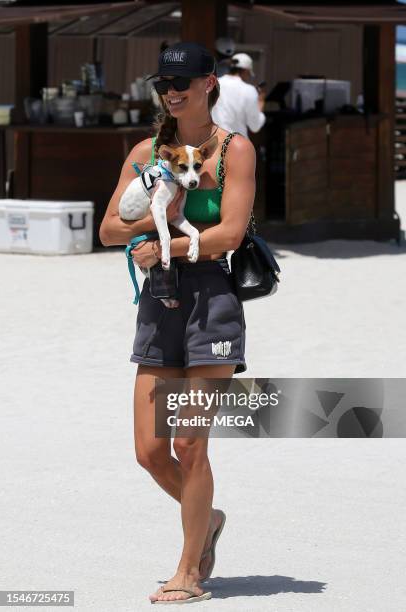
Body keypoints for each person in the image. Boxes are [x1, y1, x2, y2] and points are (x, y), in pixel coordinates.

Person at [99, 41, 256, 604]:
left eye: (181, 82)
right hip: (159, 297)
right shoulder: (146, 152)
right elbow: (110, 228)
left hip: (211, 298)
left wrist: (178, 246)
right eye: (163, 83)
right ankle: (208, 518)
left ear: (209, 83)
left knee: (190, 443)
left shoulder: (234, 151)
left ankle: (187, 571)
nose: (171, 91)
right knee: (149, 450)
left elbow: (231, 234)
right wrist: (150, 227)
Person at [211, 52, 266, 139]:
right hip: (237, 145)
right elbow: (255, 126)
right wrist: (261, 101)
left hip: (214, 143)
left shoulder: (215, 84)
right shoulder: (249, 90)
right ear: (245, 71)